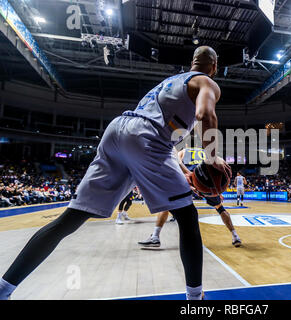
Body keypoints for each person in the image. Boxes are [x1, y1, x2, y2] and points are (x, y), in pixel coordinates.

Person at [0, 46, 231, 301]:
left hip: (119, 130)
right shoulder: (207, 82)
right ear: (214, 67)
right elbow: (205, 114)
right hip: (148, 137)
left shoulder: (171, 82)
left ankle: (4, 289)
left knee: (70, 219)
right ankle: (195, 299)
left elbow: (163, 145)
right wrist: (211, 160)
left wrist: (186, 172)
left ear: (192, 62)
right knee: (187, 217)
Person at [139, 147, 242, 248]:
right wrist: (216, 190)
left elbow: (176, 161)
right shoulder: (204, 152)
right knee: (220, 208)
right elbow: (218, 167)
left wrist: (188, 174)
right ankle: (235, 236)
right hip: (206, 185)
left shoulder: (184, 151)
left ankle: (155, 236)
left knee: (167, 205)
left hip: (189, 180)